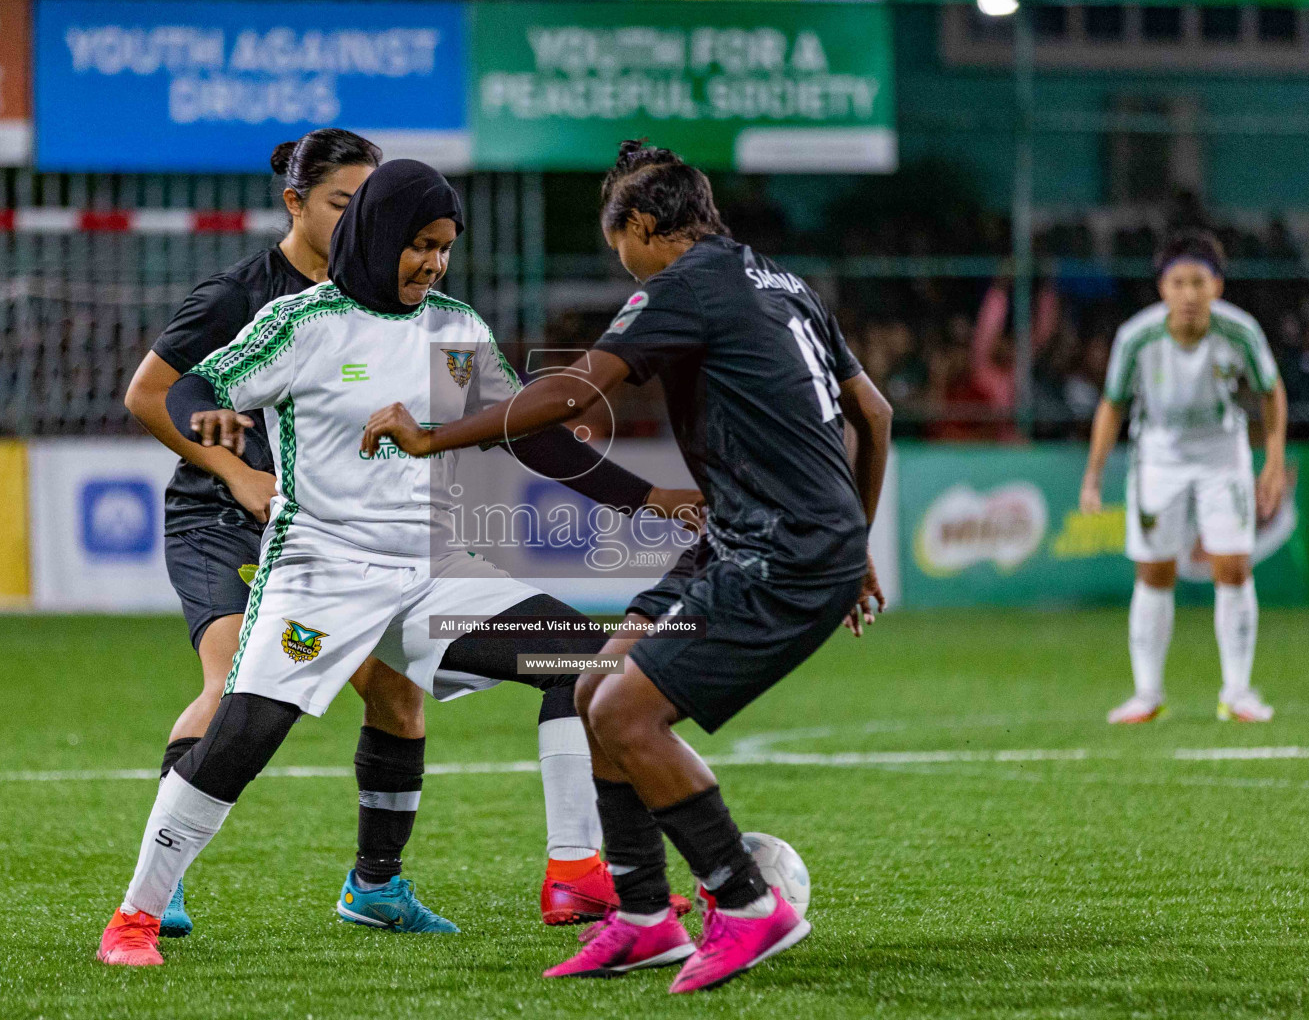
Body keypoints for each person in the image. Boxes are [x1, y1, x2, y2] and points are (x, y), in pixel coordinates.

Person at [98, 158, 697, 966]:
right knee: (241, 737)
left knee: (588, 665)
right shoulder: (301, 323)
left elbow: (525, 429)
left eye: (445, 248)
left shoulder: (452, 329)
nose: (433, 263)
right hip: (322, 569)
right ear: (378, 236)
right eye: (420, 244)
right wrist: (207, 417)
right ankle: (134, 916)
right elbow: (192, 382)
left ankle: (577, 872)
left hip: (432, 570)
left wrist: (647, 498)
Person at [363, 141, 893, 993]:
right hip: (762, 536)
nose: (624, 269)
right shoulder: (782, 282)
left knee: (632, 716)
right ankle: (645, 919)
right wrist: (857, 539)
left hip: (779, 550)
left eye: (622, 249)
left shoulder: (683, 285)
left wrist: (433, 436)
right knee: (588, 686)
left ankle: (747, 903)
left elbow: (574, 394)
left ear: (645, 227)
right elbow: (873, 409)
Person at [1079, 229, 1287, 725]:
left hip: (1222, 453)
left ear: (1217, 286)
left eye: (1199, 281)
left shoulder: (1241, 331)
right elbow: (1112, 406)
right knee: (1154, 572)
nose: (1189, 293)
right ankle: (1147, 694)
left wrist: (1274, 461)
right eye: (1178, 281)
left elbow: (1271, 392)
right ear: (1162, 289)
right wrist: (1093, 475)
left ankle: (1237, 693)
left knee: (1233, 567)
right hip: (1159, 455)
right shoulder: (1137, 336)